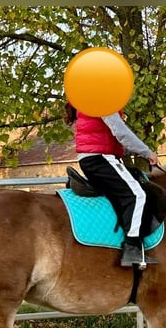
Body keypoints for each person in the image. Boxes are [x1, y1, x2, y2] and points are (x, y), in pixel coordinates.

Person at [65, 102, 160, 268]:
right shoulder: (103, 102)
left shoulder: (88, 102)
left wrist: (134, 151)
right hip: (101, 159)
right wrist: (147, 152)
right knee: (137, 195)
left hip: (91, 158)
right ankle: (132, 249)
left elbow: (108, 139)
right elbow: (121, 133)